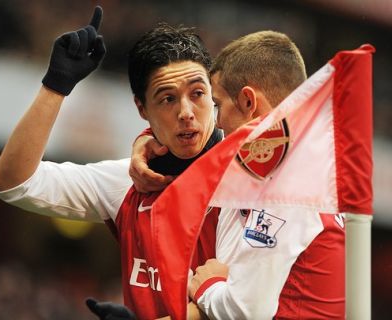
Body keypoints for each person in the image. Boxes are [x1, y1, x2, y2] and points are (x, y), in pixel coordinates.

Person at [0, 6, 223, 320]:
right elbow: (13, 183)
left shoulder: (250, 179)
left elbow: (248, 304)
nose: (186, 112)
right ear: (142, 109)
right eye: (167, 98)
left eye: (197, 93)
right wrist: (56, 86)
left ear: (214, 95)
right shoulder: (126, 182)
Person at [131, 31, 345, 319]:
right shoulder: (294, 166)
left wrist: (209, 284)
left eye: (217, 104)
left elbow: (245, 311)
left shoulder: (289, 189)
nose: (217, 121)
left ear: (247, 102)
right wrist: (145, 139)